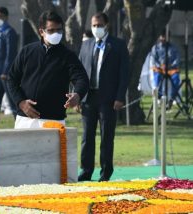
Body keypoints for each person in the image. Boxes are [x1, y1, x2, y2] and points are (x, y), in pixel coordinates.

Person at [7, 10, 88, 129]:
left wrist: (78, 94)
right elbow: (11, 79)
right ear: (41, 31)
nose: (56, 33)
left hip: (54, 120)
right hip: (25, 118)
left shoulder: (68, 56)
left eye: (59, 30)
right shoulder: (27, 51)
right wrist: (21, 103)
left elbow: (82, 79)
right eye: (51, 30)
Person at [78, 12, 130, 182]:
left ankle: (105, 173)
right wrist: (77, 96)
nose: (96, 28)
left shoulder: (118, 45)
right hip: (88, 97)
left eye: (99, 25)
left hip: (108, 99)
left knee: (107, 137)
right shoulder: (86, 45)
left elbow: (124, 74)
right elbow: (78, 73)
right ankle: (86, 171)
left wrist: (120, 97)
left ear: (106, 25)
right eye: (93, 25)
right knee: (87, 137)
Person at [150, 30, 181, 108]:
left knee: (176, 78)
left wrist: (171, 65)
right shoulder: (155, 48)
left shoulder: (173, 47)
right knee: (157, 78)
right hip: (160, 69)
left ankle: (172, 98)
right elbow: (154, 60)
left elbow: (177, 58)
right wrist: (160, 66)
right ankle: (159, 97)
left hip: (171, 69)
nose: (163, 38)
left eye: (165, 36)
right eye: (162, 36)